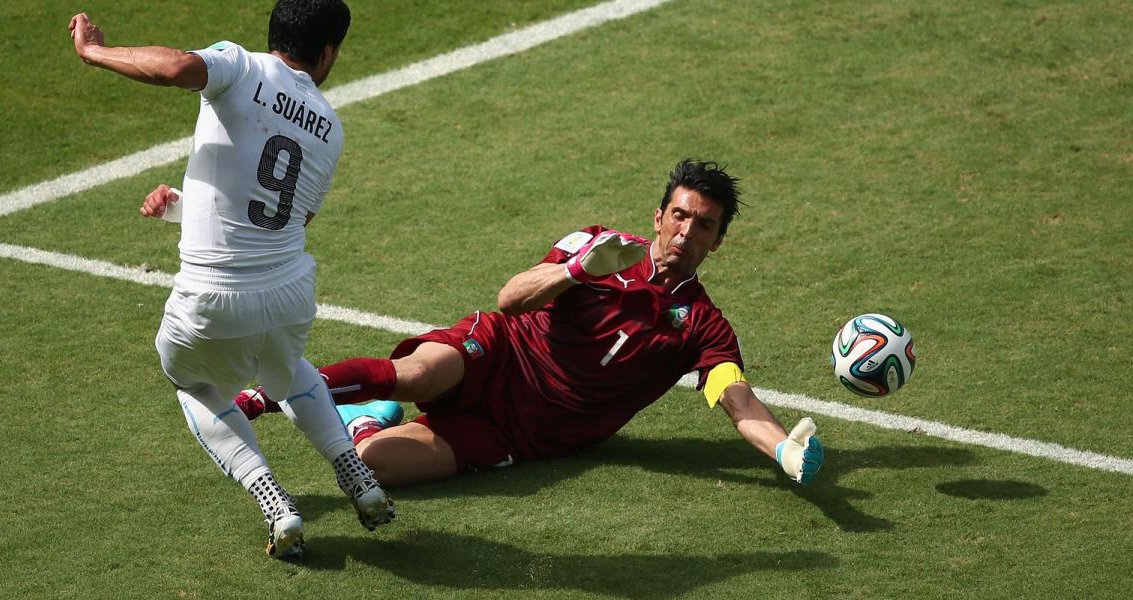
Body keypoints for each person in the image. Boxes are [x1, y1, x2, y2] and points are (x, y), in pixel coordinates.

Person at [237, 159, 825, 488]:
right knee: (415, 374)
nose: (686, 232)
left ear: (718, 242)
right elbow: (511, 298)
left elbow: (736, 399)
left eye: (704, 226)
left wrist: (782, 453)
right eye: (680, 216)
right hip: (500, 353)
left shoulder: (702, 325)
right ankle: (267, 394)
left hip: (525, 434)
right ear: (659, 215)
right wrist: (574, 270)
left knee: (371, 467)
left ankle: (364, 421)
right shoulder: (599, 246)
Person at [69, 0, 392, 560]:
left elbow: (173, 68)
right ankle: (355, 472)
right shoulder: (331, 128)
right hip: (291, 292)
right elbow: (283, 217)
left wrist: (94, 52)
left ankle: (275, 502)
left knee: (190, 379)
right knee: (284, 368)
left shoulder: (239, 65)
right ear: (327, 53)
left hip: (212, 300)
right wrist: (183, 207)